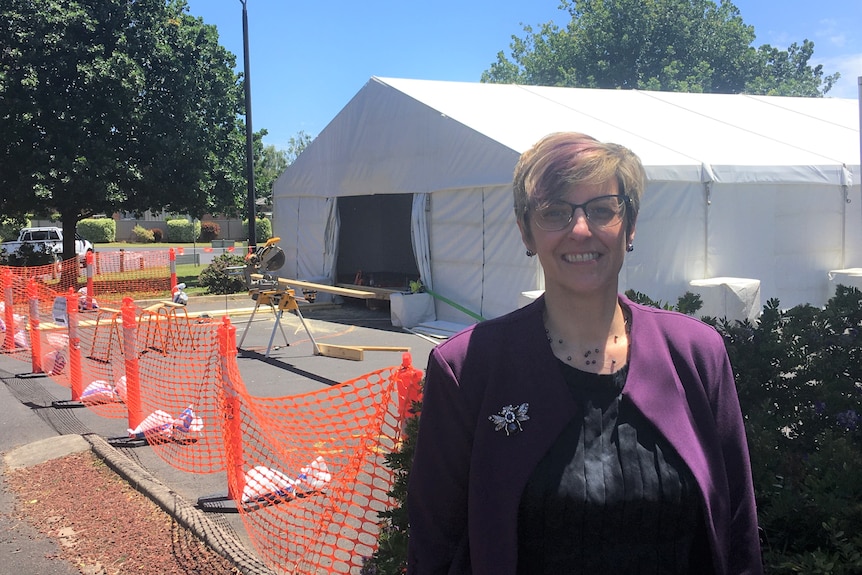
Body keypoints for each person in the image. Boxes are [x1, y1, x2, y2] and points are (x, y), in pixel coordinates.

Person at [406, 132, 762, 574]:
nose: (580, 229)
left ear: (629, 225)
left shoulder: (696, 355)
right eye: (554, 212)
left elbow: (738, 533)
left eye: (601, 209)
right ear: (526, 230)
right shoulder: (468, 370)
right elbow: (435, 550)